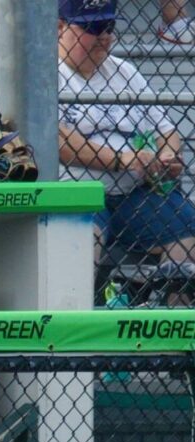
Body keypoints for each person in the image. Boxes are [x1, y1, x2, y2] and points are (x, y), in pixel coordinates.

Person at [58, 0, 195, 289]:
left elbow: (166, 129)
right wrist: (124, 159)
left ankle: (174, 318)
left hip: (133, 194)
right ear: (60, 28)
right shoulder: (47, 74)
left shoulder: (123, 71)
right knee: (80, 238)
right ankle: (77, 323)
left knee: (186, 224)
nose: (104, 36)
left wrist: (167, 156)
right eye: (93, 27)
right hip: (76, 192)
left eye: (109, 27)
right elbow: (58, 141)